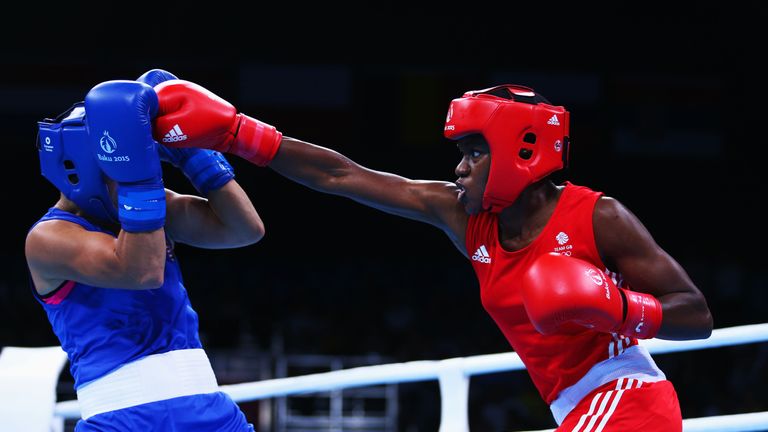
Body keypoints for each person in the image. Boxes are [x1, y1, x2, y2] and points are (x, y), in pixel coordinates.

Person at [149, 79, 714, 430]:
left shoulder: (598, 216)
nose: (459, 168)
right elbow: (342, 175)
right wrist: (238, 134)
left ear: (521, 150)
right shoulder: (464, 216)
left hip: (629, 399)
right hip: (572, 408)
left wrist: (615, 307)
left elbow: (696, 315)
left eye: (473, 152)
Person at [24, 70, 263, 431]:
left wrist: (193, 156)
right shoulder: (48, 238)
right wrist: (138, 175)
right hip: (122, 418)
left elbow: (243, 230)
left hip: (209, 409)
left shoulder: (151, 209)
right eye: (125, 162)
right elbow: (141, 271)